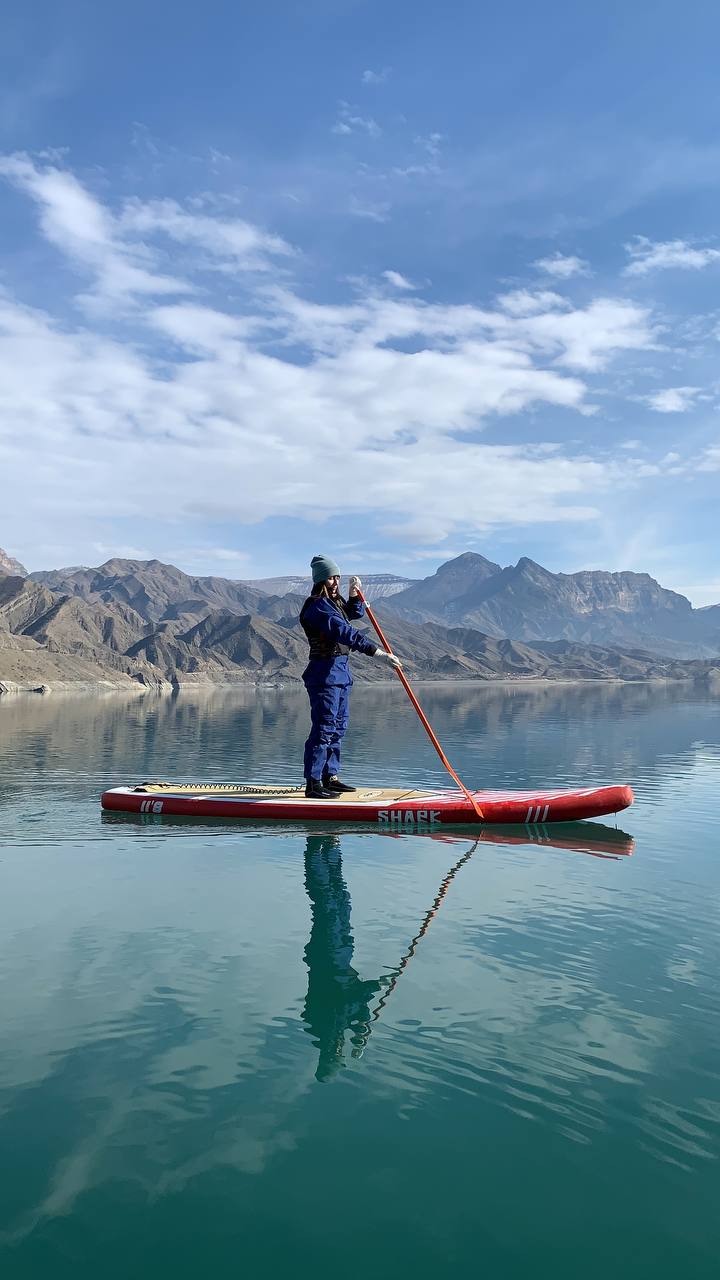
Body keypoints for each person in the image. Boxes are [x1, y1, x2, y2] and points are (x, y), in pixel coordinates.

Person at [299, 554, 402, 798]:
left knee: (338, 726)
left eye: (337, 577)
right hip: (324, 674)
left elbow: (351, 614)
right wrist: (377, 653)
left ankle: (330, 776)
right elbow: (344, 631)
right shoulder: (316, 606)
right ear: (321, 580)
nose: (335, 582)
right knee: (324, 728)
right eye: (331, 578)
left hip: (341, 673)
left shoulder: (334, 604)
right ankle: (313, 782)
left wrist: (354, 594)